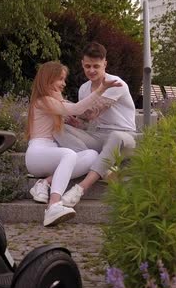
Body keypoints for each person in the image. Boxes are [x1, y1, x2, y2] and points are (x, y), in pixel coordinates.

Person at [25, 61, 122, 227]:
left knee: (92, 155)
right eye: (60, 79)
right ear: (48, 80)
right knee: (68, 154)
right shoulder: (43, 100)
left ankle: (45, 182)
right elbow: (77, 109)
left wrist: (70, 120)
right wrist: (101, 89)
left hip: (51, 154)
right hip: (37, 154)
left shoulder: (54, 101)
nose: (64, 83)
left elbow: (74, 112)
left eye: (64, 79)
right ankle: (53, 206)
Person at [53, 42, 137, 208]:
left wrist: (58, 103)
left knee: (115, 136)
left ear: (105, 64)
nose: (91, 70)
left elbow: (92, 112)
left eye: (96, 66)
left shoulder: (115, 83)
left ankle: (80, 189)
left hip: (125, 138)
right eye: (87, 66)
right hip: (99, 136)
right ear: (82, 64)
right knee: (57, 127)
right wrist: (76, 123)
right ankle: (104, 166)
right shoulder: (84, 89)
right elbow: (87, 121)